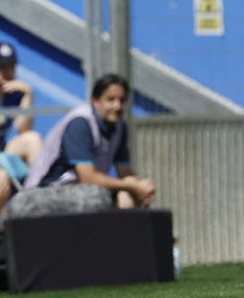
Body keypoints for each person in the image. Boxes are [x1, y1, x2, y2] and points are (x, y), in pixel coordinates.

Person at [25, 72, 157, 209]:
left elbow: (124, 173)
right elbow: (87, 178)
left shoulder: (119, 126)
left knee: (129, 196)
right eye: (110, 100)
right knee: (97, 198)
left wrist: (140, 187)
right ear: (95, 102)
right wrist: (130, 185)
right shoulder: (81, 123)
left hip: (81, 192)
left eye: (121, 100)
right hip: (43, 194)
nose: (117, 106)